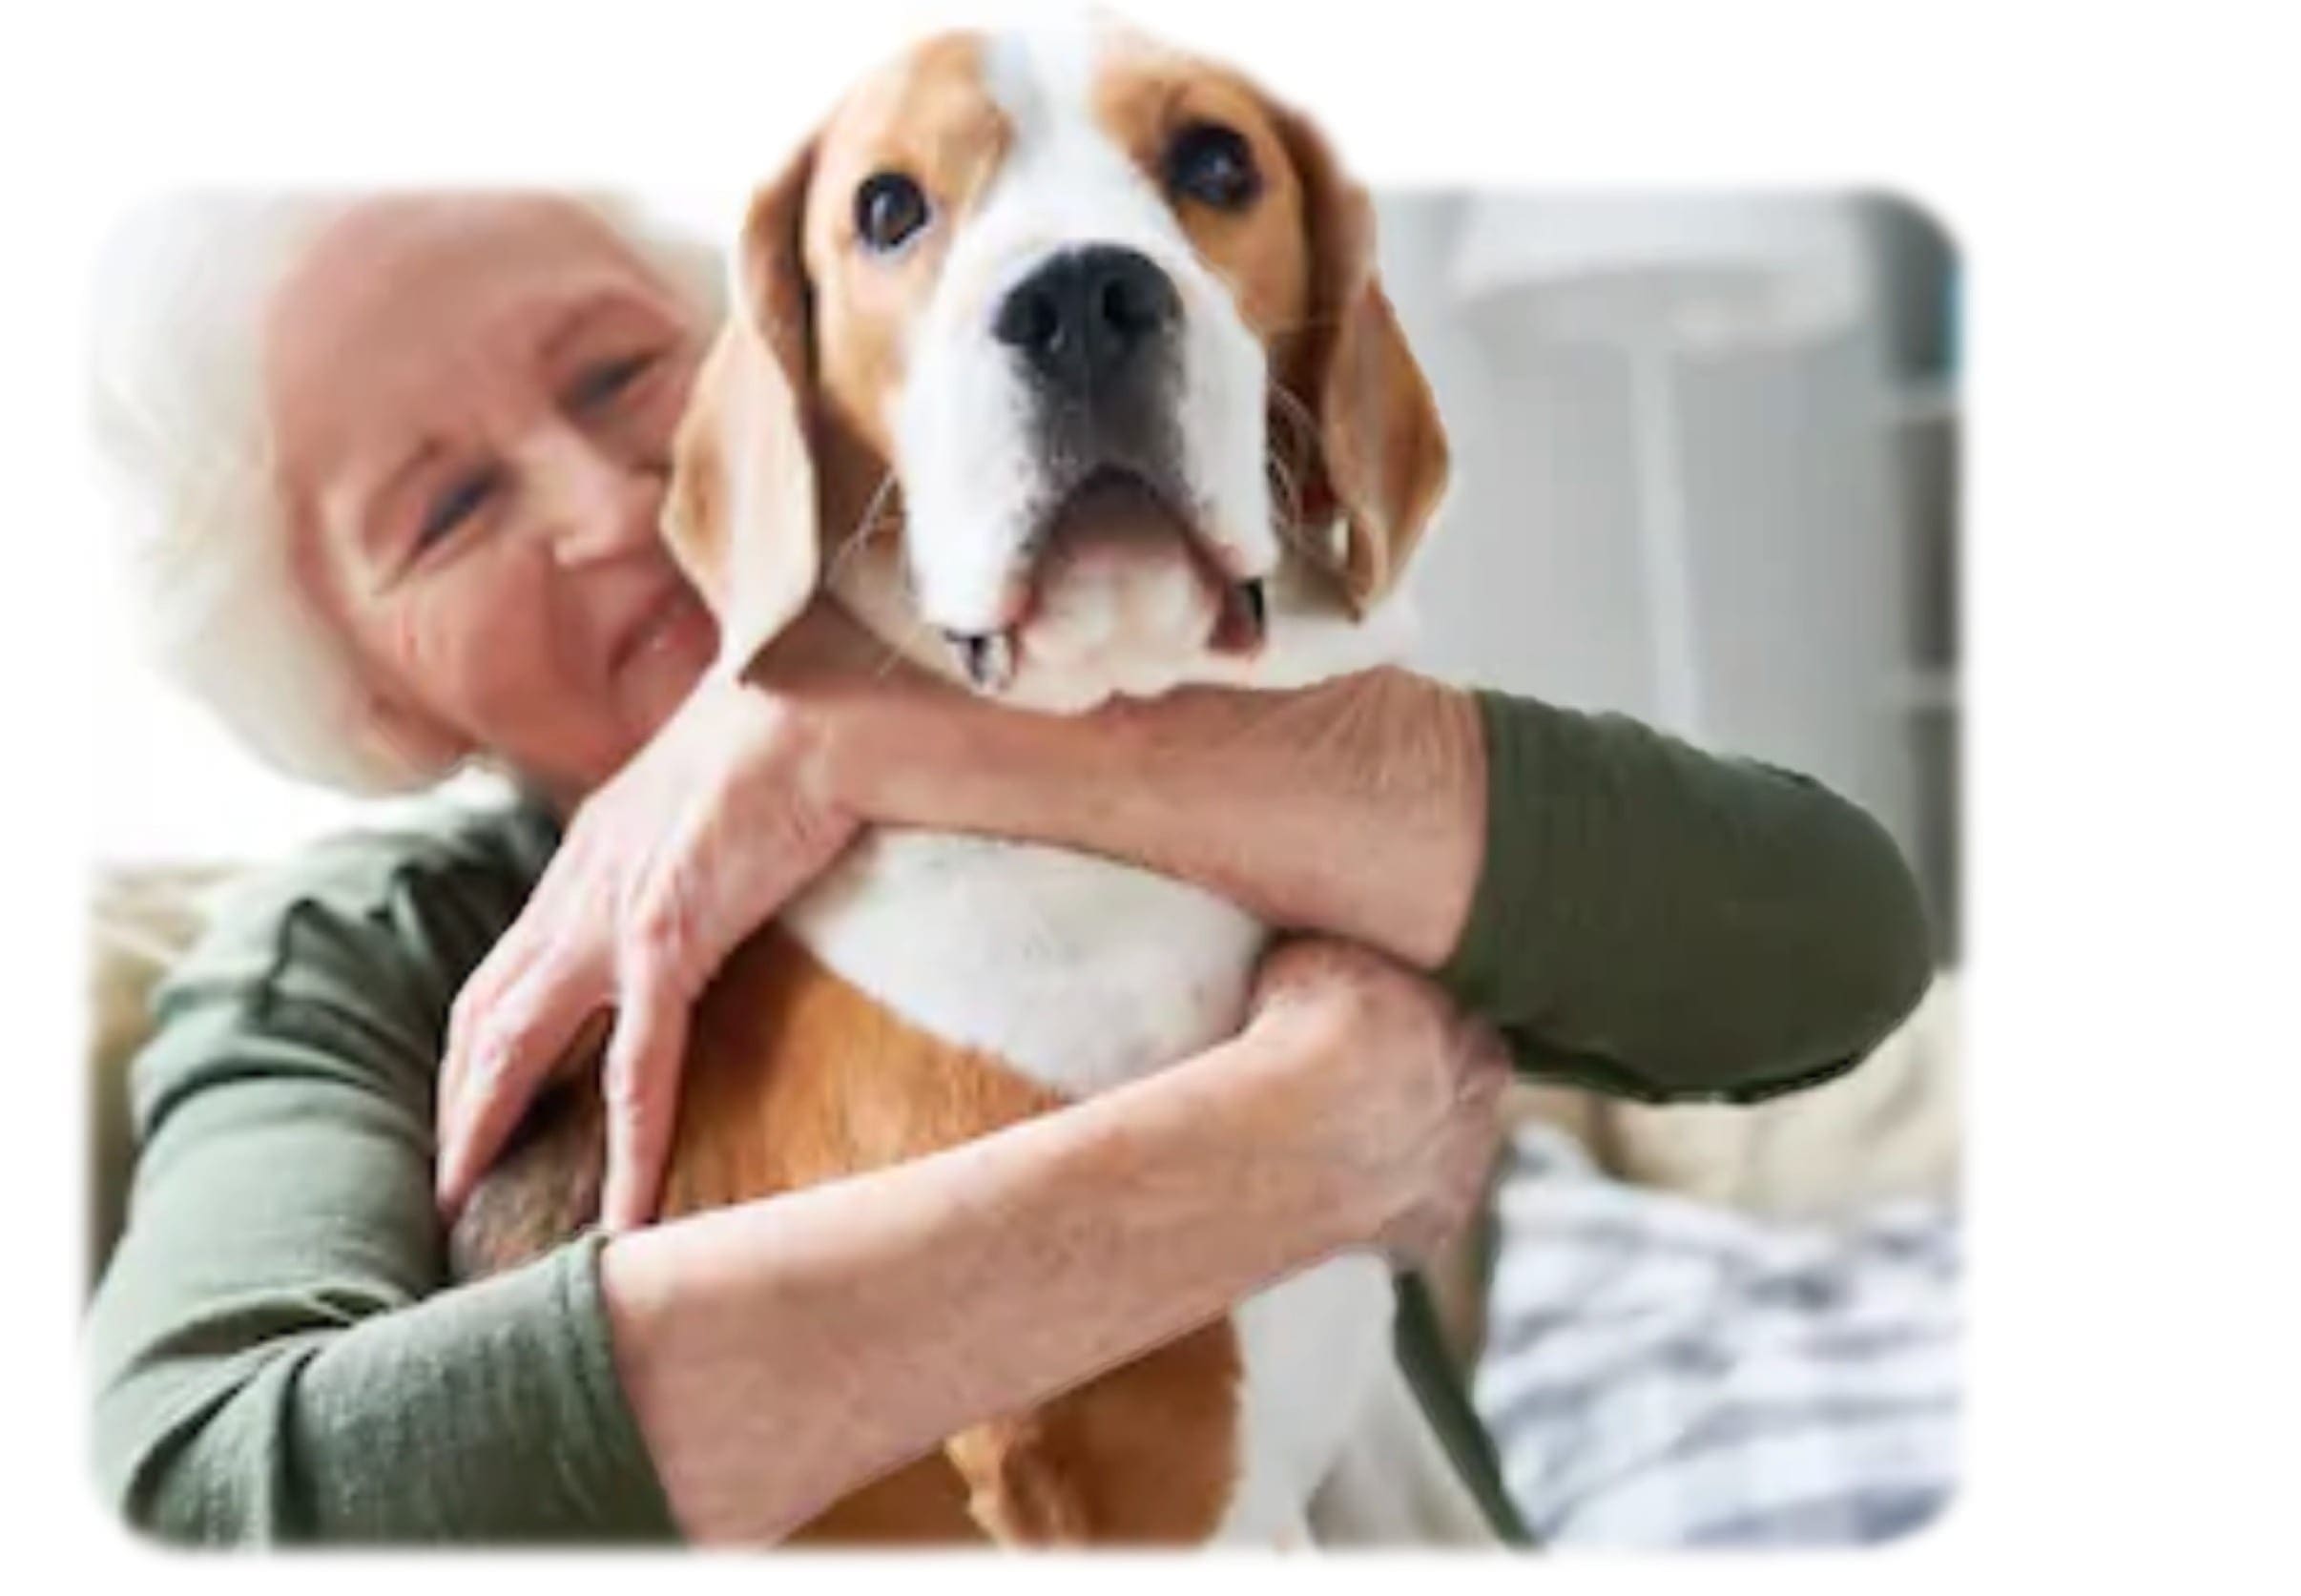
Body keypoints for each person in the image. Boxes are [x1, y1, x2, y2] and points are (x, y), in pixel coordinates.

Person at [84, 190, 1933, 1546]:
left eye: (621, 372)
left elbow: (1833, 947)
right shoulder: (352, 963)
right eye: (451, 511)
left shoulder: (1099, 653)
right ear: (357, 692)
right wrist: (1288, 1148)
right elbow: (215, 1496)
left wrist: (860, 732)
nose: (600, 504)